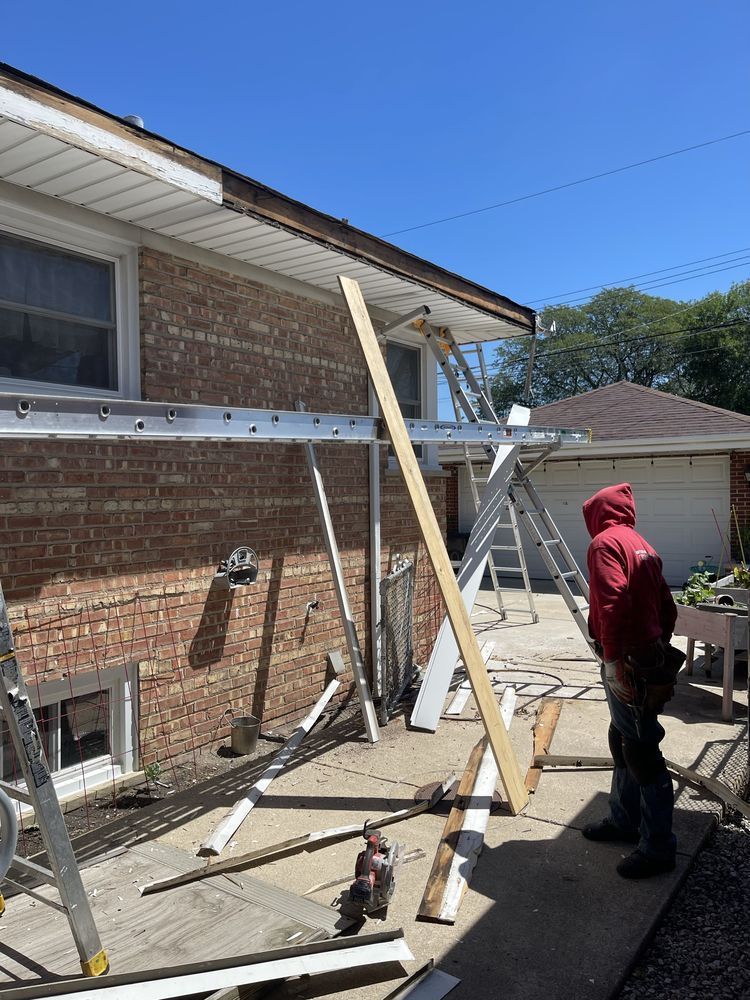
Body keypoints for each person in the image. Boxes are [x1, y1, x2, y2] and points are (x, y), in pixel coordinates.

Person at [581, 482, 684, 879]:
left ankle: (658, 847)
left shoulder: (605, 544)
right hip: (644, 656)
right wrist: (657, 647)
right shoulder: (642, 543)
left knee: (641, 751)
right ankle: (624, 820)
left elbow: (611, 604)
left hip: (627, 661)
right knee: (622, 738)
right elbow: (667, 607)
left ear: (597, 514)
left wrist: (615, 661)